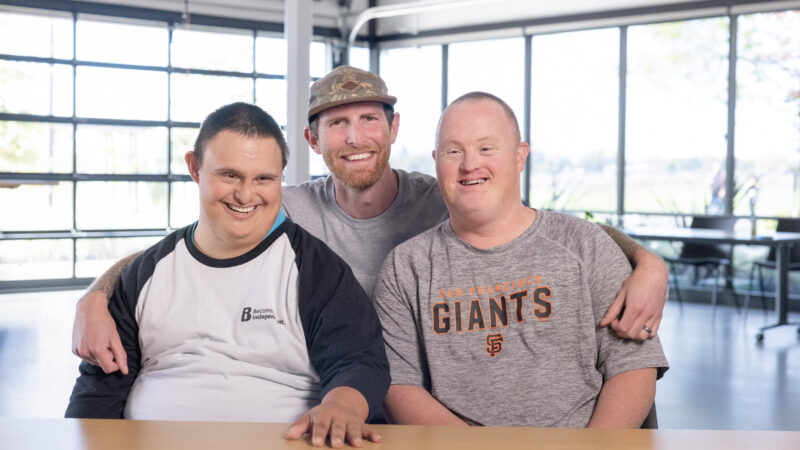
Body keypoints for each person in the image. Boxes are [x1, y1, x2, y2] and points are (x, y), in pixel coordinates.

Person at [71, 65, 667, 377]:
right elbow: (191, 246)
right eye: (337, 124)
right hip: (336, 378)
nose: (355, 137)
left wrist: (646, 261)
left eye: (369, 119)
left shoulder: (444, 196)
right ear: (313, 140)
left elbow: (539, 225)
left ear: (393, 128)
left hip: (429, 379)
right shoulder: (287, 206)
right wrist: (97, 296)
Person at [65, 103, 389, 449]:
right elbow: (99, 391)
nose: (246, 195)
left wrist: (342, 406)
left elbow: (359, 361)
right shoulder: (146, 273)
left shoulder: (316, 269)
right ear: (195, 168)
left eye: (263, 178)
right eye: (230, 175)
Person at [374, 92, 668, 427]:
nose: (469, 165)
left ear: (519, 156)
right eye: (453, 151)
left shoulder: (586, 245)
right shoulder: (405, 268)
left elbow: (633, 367)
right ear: (436, 161)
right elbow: (399, 387)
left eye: (486, 148)